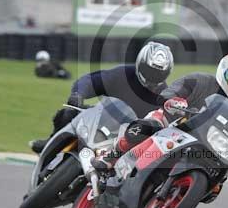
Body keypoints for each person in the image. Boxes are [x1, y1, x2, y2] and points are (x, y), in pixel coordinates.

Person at [90, 52, 228, 201]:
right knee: (148, 126)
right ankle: (111, 155)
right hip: (171, 123)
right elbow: (173, 90)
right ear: (225, 75)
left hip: (202, 144)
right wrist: (172, 99)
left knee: (217, 181)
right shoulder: (201, 81)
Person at [29, 41, 174, 154]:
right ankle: (50, 144)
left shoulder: (164, 97)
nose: (152, 78)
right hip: (102, 119)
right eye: (149, 71)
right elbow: (92, 80)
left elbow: (164, 126)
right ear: (140, 63)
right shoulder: (122, 74)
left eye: (158, 74)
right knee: (68, 113)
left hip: (127, 140)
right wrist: (78, 94)